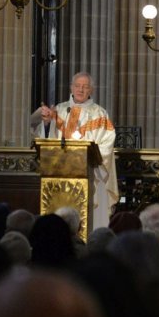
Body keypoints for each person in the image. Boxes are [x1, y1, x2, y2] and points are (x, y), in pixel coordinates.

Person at [31, 72, 117, 230]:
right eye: (77, 86)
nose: (81, 90)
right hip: (60, 174)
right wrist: (47, 124)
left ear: (91, 90)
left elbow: (107, 143)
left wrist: (91, 159)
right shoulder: (59, 110)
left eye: (85, 87)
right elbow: (45, 139)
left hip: (91, 175)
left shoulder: (100, 114)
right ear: (71, 87)